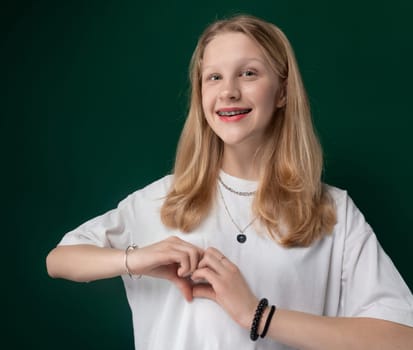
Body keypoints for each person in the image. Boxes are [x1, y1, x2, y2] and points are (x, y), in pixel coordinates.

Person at [46, 14, 413, 349]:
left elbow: (400, 338)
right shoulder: (162, 199)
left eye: (249, 73)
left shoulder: (332, 211)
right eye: (214, 77)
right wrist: (136, 259)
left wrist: (258, 315)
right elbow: (60, 260)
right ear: (200, 93)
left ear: (283, 91)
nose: (228, 91)